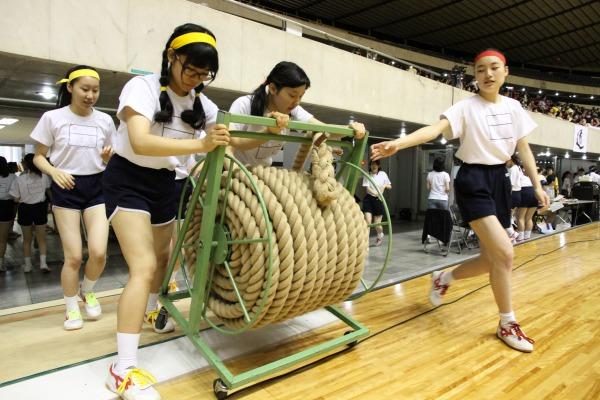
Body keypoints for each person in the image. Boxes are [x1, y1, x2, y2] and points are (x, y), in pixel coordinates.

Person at [370, 49, 549, 352]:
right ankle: (507, 323)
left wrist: (537, 184)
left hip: (500, 181)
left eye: (494, 68)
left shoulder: (515, 108)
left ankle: (443, 277)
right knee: (505, 254)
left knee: (492, 259)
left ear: (505, 72)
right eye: (480, 70)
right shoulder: (465, 108)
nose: (488, 74)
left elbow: (524, 149)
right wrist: (398, 144)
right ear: (474, 76)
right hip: (473, 180)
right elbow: (434, 130)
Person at [102, 23, 229, 400]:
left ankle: (154, 311)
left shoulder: (203, 104)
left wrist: (277, 126)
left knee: (163, 261)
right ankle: (121, 369)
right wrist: (204, 143)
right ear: (172, 57)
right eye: (190, 70)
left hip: (166, 184)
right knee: (142, 267)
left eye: (203, 75)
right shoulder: (140, 88)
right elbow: (139, 141)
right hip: (126, 179)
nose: (195, 80)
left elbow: (228, 141)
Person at [31, 65, 116, 330]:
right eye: (84, 89)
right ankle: (70, 309)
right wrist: (54, 172)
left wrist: (107, 159)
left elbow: (112, 156)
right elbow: (38, 157)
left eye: (95, 90)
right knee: (74, 257)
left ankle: (87, 290)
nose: (90, 95)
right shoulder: (52, 117)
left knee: (100, 253)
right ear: (70, 87)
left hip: (97, 185)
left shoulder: (104, 120)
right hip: (65, 185)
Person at [228, 61, 365, 167]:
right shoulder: (244, 105)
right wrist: (238, 177)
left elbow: (324, 130)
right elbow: (228, 145)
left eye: (301, 96)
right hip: (234, 175)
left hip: (262, 177)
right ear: (273, 88)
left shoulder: (293, 110)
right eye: (292, 95)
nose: (297, 102)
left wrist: (350, 129)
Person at [9, 154, 51, 273]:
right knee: (41, 238)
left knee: (27, 239)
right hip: (40, 208)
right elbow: (47, 190)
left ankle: (28, 266)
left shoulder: (20, 179)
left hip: (25, 209)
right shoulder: (44, 176)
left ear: (26, 164)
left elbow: (16, 199)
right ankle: (43, 264)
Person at [362, 159, 392, 246]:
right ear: (370, 165)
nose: (373, 166)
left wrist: (384, 185)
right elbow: (367, 188)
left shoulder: (383, 174)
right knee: (368, 221)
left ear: (378, 166)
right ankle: (365, 242)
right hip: (369, 199)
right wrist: (375, 193)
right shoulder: (367, 174)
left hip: (379, 200)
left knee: (377, 224)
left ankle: (379, 234)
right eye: (372, 164)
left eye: (375, 164)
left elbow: (390, 186)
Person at [0, 156, 17, 272]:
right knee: (2, 238)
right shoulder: (12, 177)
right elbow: (15, 195)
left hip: (6, 206)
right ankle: (0, 263)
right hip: (6, 207)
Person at [516, 164, 539, 240]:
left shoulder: (518, 172)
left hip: (524, 192)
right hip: (534, 192)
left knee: (520, 218)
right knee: (529, 218)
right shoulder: (533, 176)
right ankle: (527, 236)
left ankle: (520, 237)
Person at [505, 155, 521, 243]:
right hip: (517, 194)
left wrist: (507, 197)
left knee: (507, 217)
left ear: (511, 159)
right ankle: (512, 240)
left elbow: (510, 185)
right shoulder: (517, 168)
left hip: (513, 194)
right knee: (509, 217)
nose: (505, 163)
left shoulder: (513, 169)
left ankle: (513, 234)